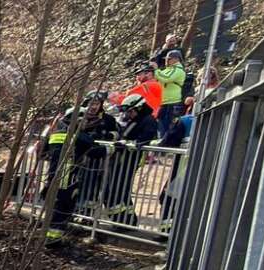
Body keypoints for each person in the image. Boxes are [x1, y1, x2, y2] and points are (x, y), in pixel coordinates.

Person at [47, 92, 117, 238]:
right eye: (83, 120)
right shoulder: (79, 136)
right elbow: (95, 152)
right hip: (68, 177)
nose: (86, 123)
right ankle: (54, 238)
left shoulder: (57, 133)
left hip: (53, 175)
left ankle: (52, 235)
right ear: (76, 121)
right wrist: (111, 148)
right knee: (64, 206)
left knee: (56, 205)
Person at [106, 94, 160, 223]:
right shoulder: (137, 120)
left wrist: (127, 144)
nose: (128, 114)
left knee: (118, 187)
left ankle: (123, 220)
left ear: (139, 108)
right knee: (119, 188)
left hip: (131, 159)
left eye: (130, 111)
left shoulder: (148, 120)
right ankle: (126, 219)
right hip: (123, 158)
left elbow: (145, 140)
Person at [155, 50, 188, 133]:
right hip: (163, 103)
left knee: (169, 127)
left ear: (176, 59)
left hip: (172, 102)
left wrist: (156, 70)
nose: (166, 60)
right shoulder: (167, 70)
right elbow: (158, 77)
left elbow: (166, 78)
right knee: (161, 125)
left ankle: (167, 143)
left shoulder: (178, 70)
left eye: (169, 59)